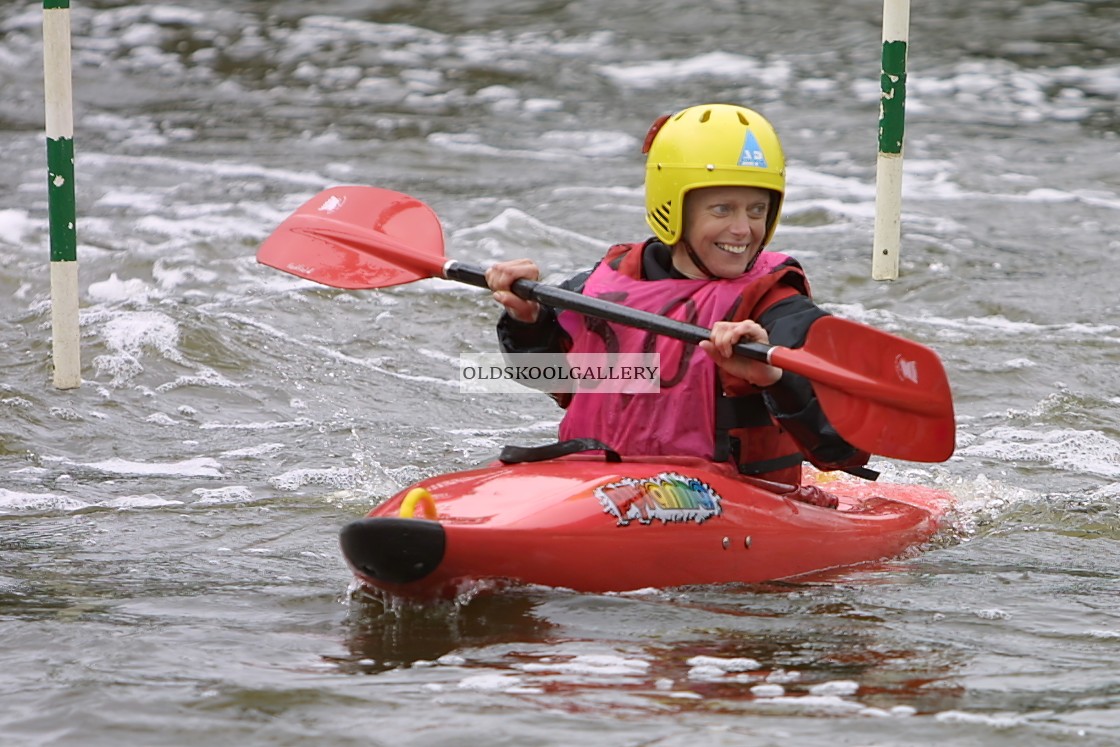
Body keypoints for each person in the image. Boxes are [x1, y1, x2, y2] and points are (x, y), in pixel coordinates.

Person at [484, 103, 870, 500]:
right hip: (592, 481)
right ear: (674, 206)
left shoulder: (776, 306)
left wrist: (772, 376)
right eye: (723, 209)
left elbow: (844, 449)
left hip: (733, 498)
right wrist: (525, 319)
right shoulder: (604, 285)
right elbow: (548, 378)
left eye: (757, 209)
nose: (743, 229)